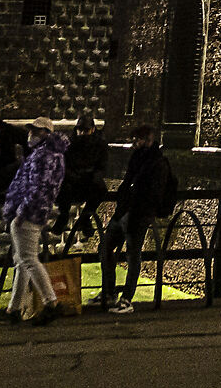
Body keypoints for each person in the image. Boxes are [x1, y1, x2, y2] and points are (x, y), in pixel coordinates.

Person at [96, 126, 174, 313]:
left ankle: (126, 299)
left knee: (133, 255)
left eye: (137, 140)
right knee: (105, 246)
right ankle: (109, 292)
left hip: (138, 215)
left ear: (148, 140)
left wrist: (134, 208)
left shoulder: (158, 163)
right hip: (125, 212)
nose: (134, 143)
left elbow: (153, 193)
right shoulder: (138, 159)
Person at [1, 117, 68, 325]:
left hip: (29, 213)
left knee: (27, 259)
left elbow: (38, 187)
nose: (31, 134)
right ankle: (15, 307)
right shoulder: (51, 154)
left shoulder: (44, 156)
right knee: (23, 260)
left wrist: (21, 211)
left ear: (46, 134)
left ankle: (51, 302)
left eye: (36, 131)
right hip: (36, 212)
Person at [55, 114, 110, 243]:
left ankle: (86, 217)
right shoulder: (70, 144)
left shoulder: (99, 145)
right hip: (73, 180)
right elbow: (64, 165)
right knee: (63, 187)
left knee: (101, 189)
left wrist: (93, 176)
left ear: (92, 130)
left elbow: (102, 166)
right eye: (80, 130)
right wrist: (73, 175)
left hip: (89, 181)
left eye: (85, 130)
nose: (82, 133)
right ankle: (63, 217)